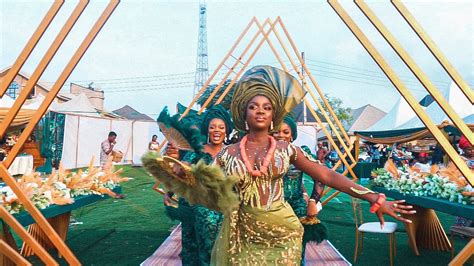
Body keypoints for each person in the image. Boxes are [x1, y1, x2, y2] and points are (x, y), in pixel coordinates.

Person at [144, 66, 414, 265]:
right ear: (243, 114)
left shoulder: (288, 150)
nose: (260, 110)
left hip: (283, 232)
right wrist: (180, 177)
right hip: (241, 233)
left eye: (266, 107)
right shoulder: (227, 154)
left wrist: (374, 198)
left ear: (273, 115)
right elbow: (207, 190)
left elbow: (327, 174)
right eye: (253, 106)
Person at [164, 105, 234, 266]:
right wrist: (172, 160)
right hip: (201, 208)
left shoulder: (232, 152)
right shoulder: (198, 151)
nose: (217, 130)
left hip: (225, 209)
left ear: (226, 130)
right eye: (213, 127)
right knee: (200, 248)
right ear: (207, 130)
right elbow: (181, 171)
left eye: (221, 127)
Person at [273, 114, 327, 264]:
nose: (280, 135)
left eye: (285, 132)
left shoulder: (300, 153)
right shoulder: (264, 154)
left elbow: (321, 176)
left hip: (297, 208)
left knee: (296, 249)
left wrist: (312, 201)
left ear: (292, 135)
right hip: (271, 208)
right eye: (276, 131)